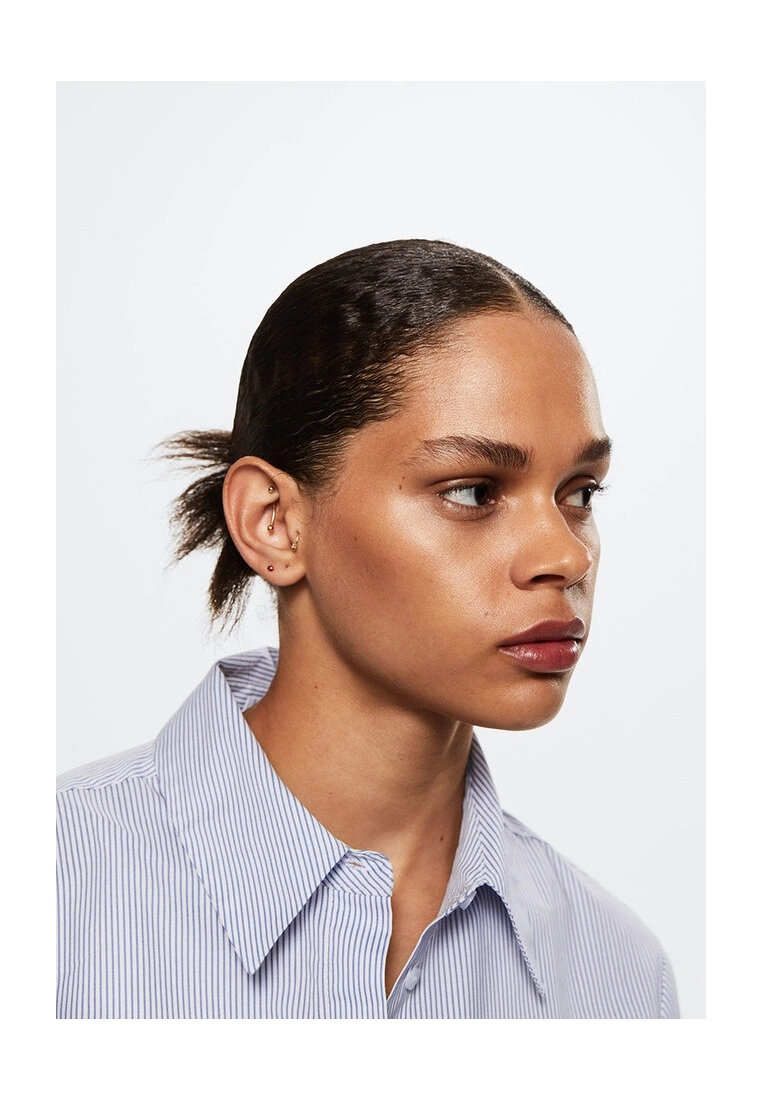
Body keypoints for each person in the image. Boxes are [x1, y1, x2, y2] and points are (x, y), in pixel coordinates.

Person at [56, 239, 679, 1019]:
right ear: (275, 522)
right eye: (473, 491)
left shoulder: (619, 977)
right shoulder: (52, 892)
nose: (565, 555)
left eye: (579, 492)